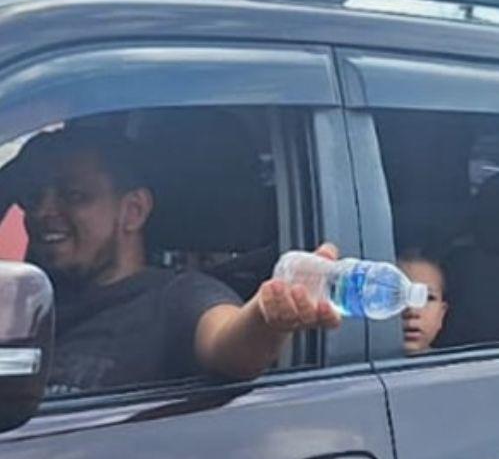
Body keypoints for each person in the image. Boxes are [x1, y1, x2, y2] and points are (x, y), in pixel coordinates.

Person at [1, 124, 340, 394]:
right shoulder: (30, 297)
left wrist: (269, 317)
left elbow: (231, 345)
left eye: (73, 195)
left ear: (133, 211)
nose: (43, 211)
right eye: (32, 197)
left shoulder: (179, 298)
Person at [397, 247, 448, 354]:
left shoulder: (456, 370)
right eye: (399, 295)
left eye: (427, 298)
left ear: (441, 314)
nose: (412, 311)